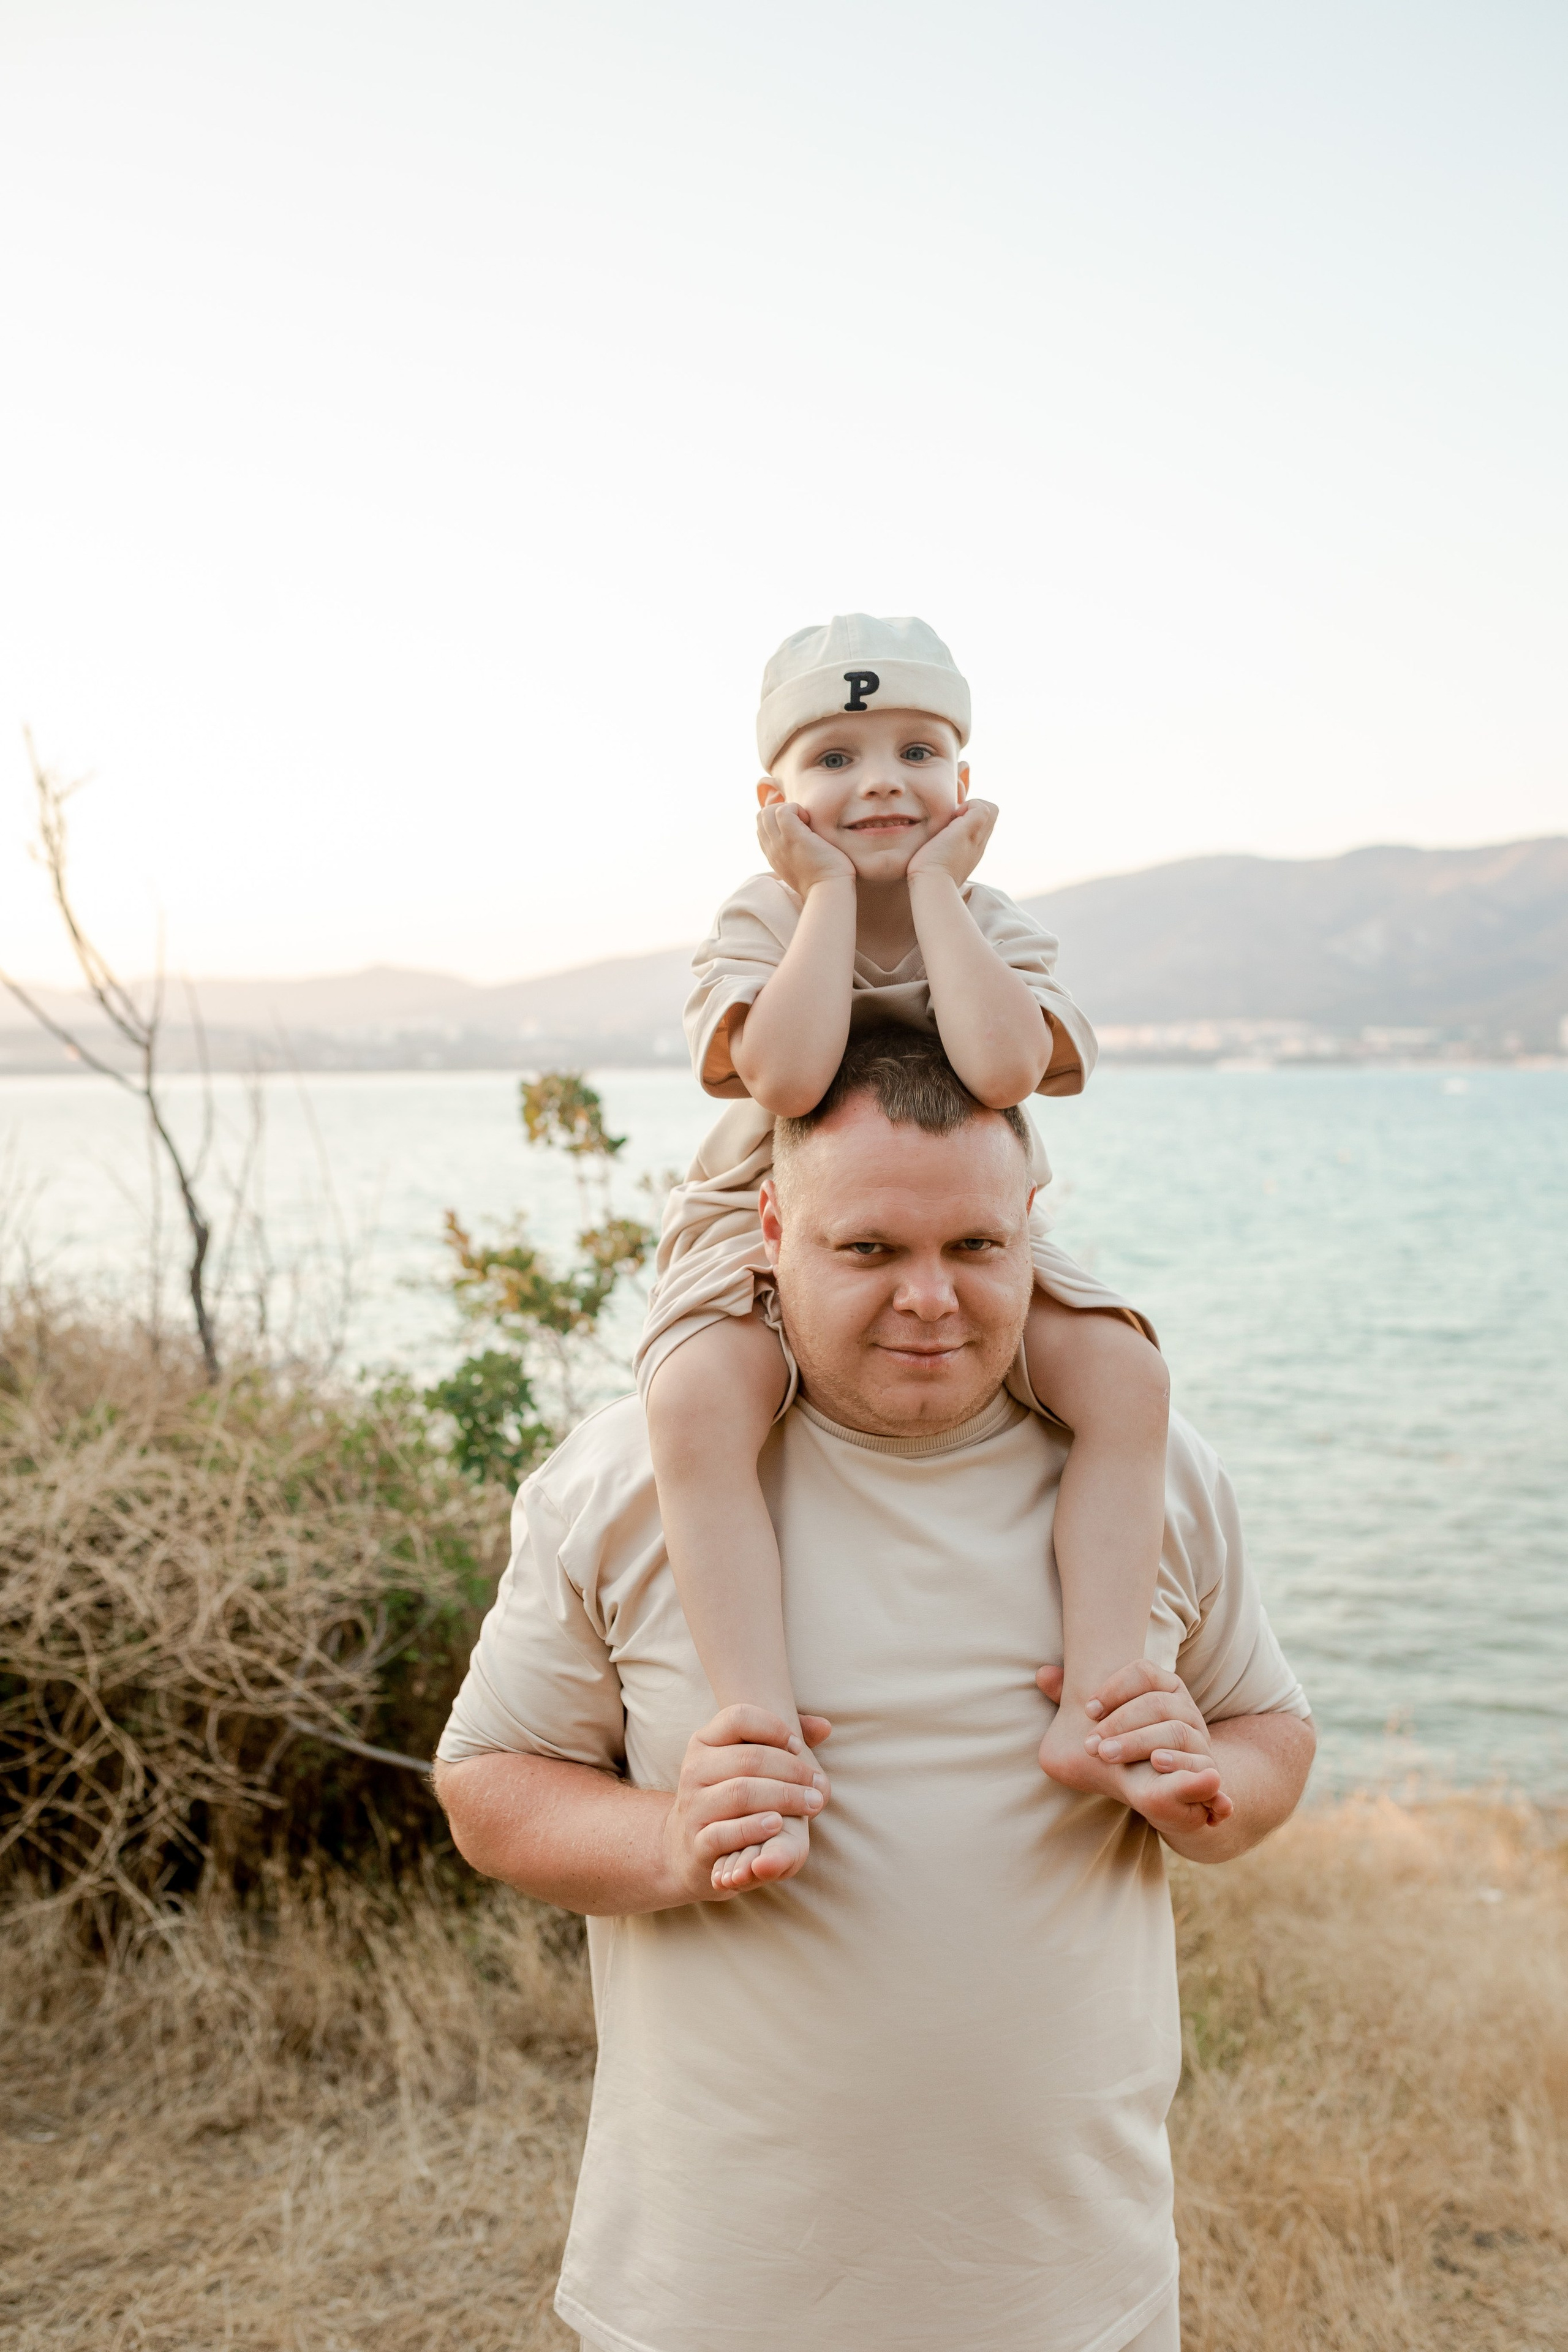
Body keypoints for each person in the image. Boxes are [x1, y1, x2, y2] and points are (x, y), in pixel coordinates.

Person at [435, 1027, 1316, 2352]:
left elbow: (1269, 1734)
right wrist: (670, 1839)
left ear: (1031, 1227)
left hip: (1071, 2294)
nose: (930, 1299)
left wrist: (1206, 1787)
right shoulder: (625, 1480)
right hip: (713, 2297)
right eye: (868, 1251)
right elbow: (488, 1784)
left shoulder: (1143, 1473)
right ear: (771, 1228)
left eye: (975, 1248)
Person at [638, 613, 1175, 1893]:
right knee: (698, 1400)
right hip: (768, 1211)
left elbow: (999, 1069)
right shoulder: (762, 915)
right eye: (833, 757)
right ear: (773, 802)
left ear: (963, 786)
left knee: (1125, 1382)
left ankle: (1098, 1692)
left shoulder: (993, 921)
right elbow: (785, 1074)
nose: (880, 780)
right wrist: (826, 898)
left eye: (916, 749)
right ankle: (757, 1728)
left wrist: (936, 897)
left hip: (968, 1225)